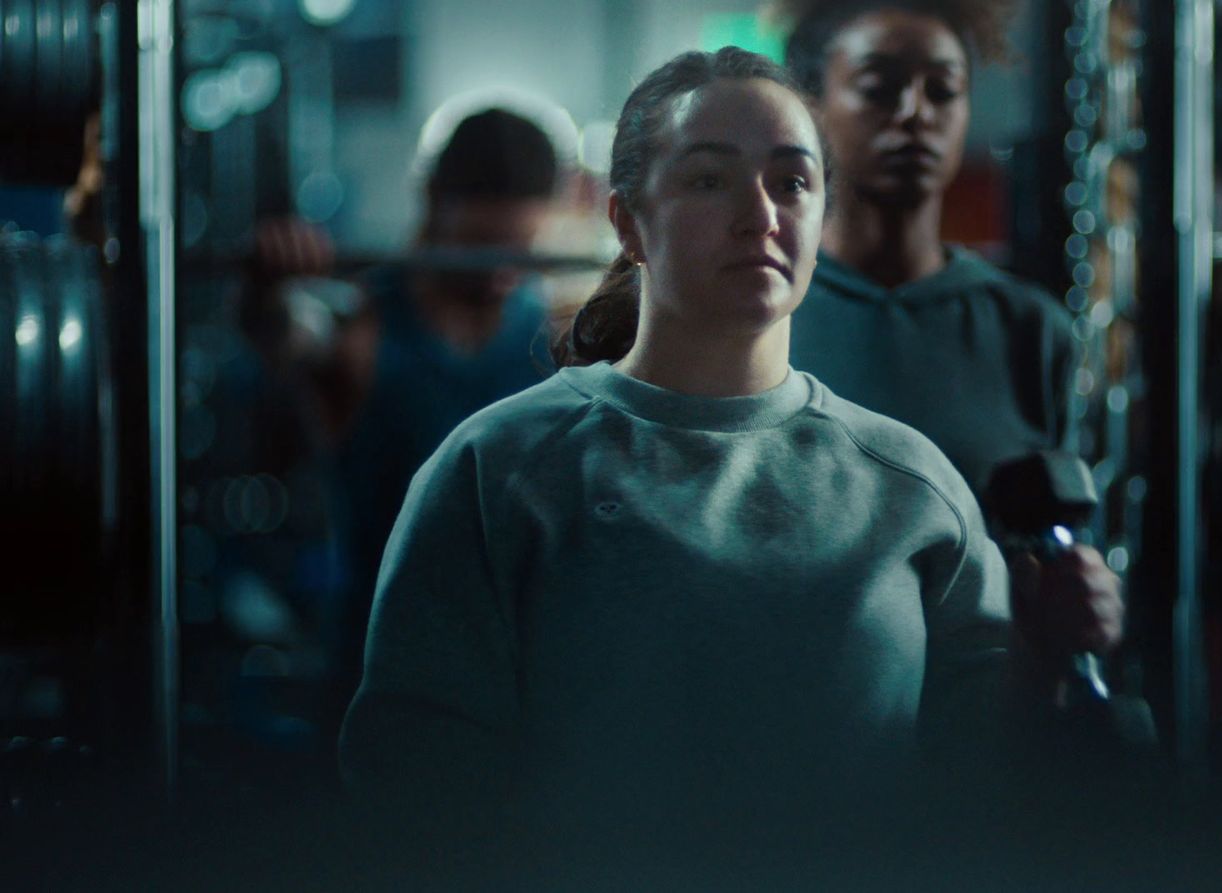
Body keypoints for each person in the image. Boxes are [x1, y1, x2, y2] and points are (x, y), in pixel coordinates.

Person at [338, 47, 1111, 869]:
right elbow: (412, 793)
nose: (761, 214)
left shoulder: (913, 487)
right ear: (629, 222)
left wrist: (1045, 656)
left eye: (793, 181)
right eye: (710, 180)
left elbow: (985, 788)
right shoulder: (499, 469)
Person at [779, 0, 1124, 661]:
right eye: (880, 88)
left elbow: (1066, 551)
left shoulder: (1028, 328)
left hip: (984, 728)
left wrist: (1090, 603)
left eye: (944, 90)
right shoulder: (764, 311)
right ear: (814, 107)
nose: (916, 113)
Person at [246, 108, 562, 693]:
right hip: (386, 685)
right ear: (432, 200)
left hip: (520, 689)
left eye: (519, 245)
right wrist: (268, 290)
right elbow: (283, 333)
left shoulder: (553, 334)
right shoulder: (362, 326)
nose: (502, 270)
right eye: (483, 245)